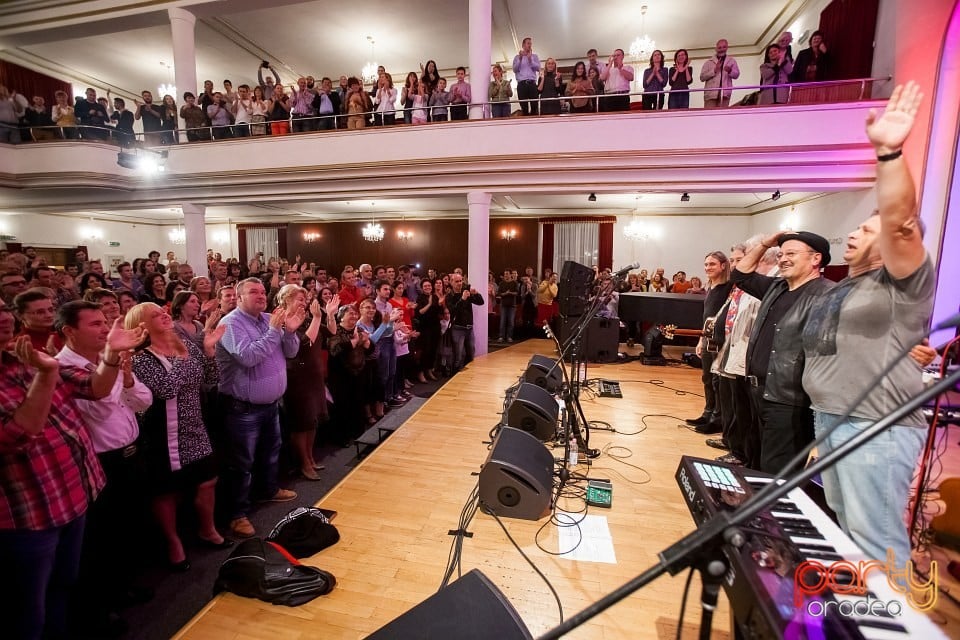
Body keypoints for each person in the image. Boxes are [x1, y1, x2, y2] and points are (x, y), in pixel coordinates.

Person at [802, 82, 934, 566]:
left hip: (874, 426)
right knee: (846, 528)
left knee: (875, 540)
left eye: (866, 228)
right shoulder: (843, 286)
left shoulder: (902, 284)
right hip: (831, 418)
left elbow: (900, 221)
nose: (855, 231)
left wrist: (890, 153)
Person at [0, 304, 144, 640]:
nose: (4, 316)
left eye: (5, 309)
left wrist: (109, 356)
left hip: (73, 493)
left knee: (66, 585)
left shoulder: (24, 358)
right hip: (29, 513)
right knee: (26, 609)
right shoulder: (43, 364)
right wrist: (47, 375)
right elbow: (19, 434)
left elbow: (94, 388)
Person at [126, 302, 227, 571]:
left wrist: (207, 351)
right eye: (155, 315)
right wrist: (184, 360)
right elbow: (166, 389)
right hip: (164, 431)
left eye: (164, 312)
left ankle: (207, 529)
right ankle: (173, 542)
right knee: (166, 491)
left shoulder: (186, 345)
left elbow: (209, 377)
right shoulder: (140, 359)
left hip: (195, 423)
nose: (164, 315)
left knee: (208, 479)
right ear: (142, 325)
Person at [732, 230, 834, 473]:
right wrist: (766, 243)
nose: (783, 259)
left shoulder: (827, 294)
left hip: (789, 399)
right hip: (758, 391)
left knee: (777, 469)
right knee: (756, 461)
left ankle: (771, 509)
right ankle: (755, 506)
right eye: (780, 254)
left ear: (816, 258)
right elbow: (740, 274)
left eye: (791, 253)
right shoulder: (776, 287)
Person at [215, 277, 302, 539]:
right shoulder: (230, 324)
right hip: (243, 408)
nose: (261, 295)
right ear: (238, 298)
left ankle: (268, 489)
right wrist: (276, 331)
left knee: (270, 451)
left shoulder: (267, 319)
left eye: (263, 291)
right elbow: (249, 357)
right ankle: (237, 515)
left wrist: (290, 332)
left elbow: (291, 352)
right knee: (242, 463)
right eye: (253, 292)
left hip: (270, 404)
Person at [279, 284, 338, 480]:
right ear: (287, 299)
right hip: (297, 377)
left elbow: (331, 332)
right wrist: (318, 317)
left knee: (312, 420)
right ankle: (303, 462)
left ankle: (311, 457)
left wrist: (329, 314)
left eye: (305, 299)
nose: (304, 303)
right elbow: (304, 344)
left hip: (314, 375)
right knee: (301, 422)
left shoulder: (307, 318)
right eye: (299, 299)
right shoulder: (282, 319)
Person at [685, 252, 733, 435]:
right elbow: (707, 317)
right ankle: (707, 413)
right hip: (707, 338)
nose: (707, 268)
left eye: (712, 264)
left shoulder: (729, 288)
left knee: (716, 380)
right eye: (705, 265)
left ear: (723, 265)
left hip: (720, 341)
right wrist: (700, 339)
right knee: (706, 378)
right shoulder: (710, 288)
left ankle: (718, 419)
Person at [444, 273, 484, 373]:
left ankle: (467, 375)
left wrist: (476, 293)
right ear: (451, 282)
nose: (459, 283)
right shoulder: (450, 296)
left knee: (471, 354)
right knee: (458, 355)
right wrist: (462, 299)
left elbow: (480, 302)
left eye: (461, 281)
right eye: (457, 281)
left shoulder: (466, 292)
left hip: (469, 328)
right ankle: (454, 376)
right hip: (457, 329)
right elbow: (453, 310)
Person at [700, 39, 740, 108]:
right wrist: (714, 71)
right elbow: (702, 77)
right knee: (709, 116)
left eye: (724, 47)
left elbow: (736, 75)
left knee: (722, 116)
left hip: (725, 94)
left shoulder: (732, 61)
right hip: (710, 95)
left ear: (727, 47)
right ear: (716, 49)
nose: (722, 49)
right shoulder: (708, 62)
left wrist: (730, 71)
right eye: (719, 47)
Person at [512, 37, 541, 116]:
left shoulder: (534, 56)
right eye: (528, 43)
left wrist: (530, 59)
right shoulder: (517, 57)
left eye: (530, 44)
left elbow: (538, 68)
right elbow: (515, 69)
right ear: (523, 45)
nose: (530, 45)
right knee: (524, 107)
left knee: (534, 106)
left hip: (532, 84)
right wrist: (520, 59)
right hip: (522, 84)